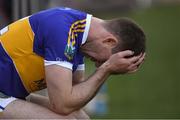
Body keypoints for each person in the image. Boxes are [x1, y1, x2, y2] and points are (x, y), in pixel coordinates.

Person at [0, 7, 146, 119]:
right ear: (109, 41)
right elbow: (62, 104)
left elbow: (75, 102)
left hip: (10, 93)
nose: (97, 65)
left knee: (80, 117)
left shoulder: (79, 36)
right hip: (4, 93)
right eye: (104, 60)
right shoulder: (62, 29)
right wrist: (106, 69)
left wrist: (106, 69)